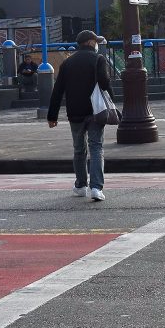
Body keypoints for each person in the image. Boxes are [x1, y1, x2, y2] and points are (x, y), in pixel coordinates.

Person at [47, 30, 113, 202]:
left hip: (74, 112)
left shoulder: (67, 63)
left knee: (79, 149)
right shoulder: (99, 59)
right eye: (96, 41)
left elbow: (58, 90)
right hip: (95, 111)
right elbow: (105, 83)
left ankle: (81, 185)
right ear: (91, 43)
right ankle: (97, 188)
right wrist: (112, 102)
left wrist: (52, 115)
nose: (97, 43)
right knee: (96, 147)